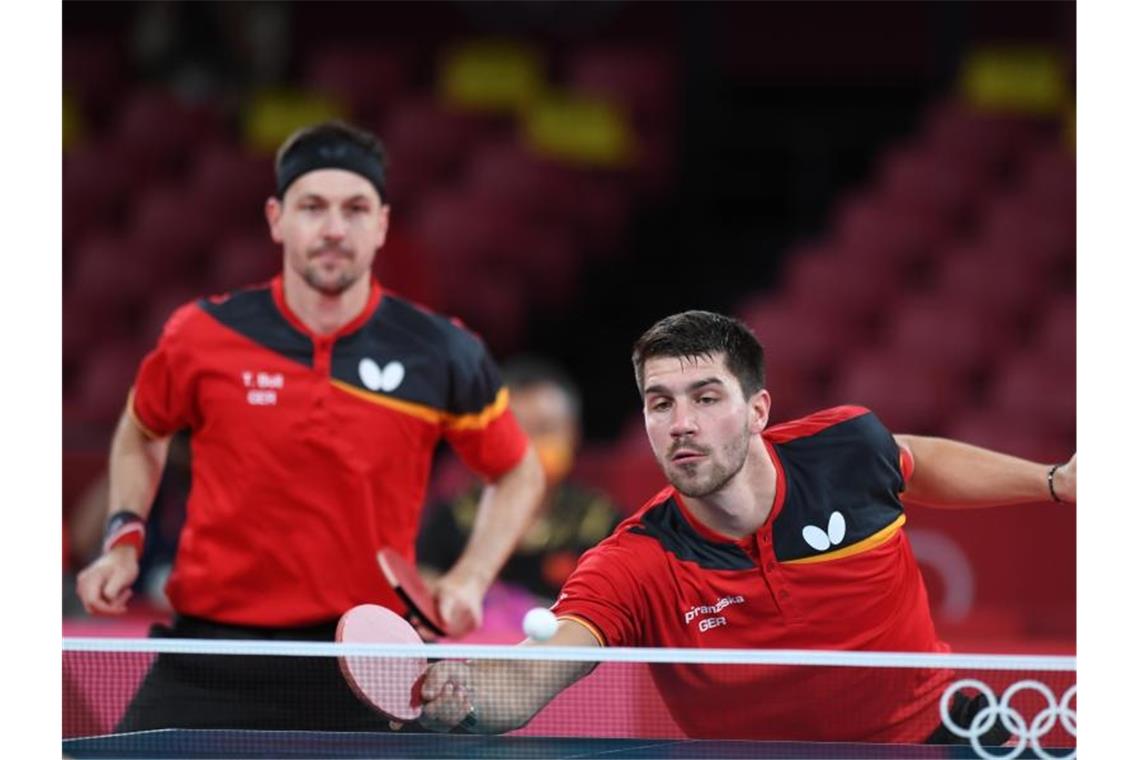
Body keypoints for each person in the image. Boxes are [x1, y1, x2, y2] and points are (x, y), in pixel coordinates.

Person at [74, 120, 545, 730]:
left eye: (355, 209)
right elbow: (141, 431)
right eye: (312, 207)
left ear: (381, 225)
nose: (332, 229)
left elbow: (518, 471)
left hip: (369, 668)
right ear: (276, 218)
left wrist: (469, 579)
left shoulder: (442, 350)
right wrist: (123, 539)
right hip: (211, 659)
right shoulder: (203, 335)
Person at [415, 310, 1077, 744]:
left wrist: (1053, 481)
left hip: (941, 739)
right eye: (660, 404)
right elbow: (536, 672)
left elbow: (918, 460)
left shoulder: (844, 450)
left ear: (758, 409)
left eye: (706, 399)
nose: (681, 424)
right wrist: (470, 691)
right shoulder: (636, 562)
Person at [417, 356, 623, 604]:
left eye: (544, 429)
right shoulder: (453, 520)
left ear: (573, 433)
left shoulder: (603, 524)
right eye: (516, 431)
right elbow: (423, 596)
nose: (528, 447)